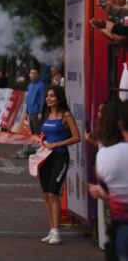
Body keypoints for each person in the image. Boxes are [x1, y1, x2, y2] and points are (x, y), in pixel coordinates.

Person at [38, 86, 81, 245]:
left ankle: (57, 232)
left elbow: (76, 137)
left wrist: (56, 144)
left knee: (53, 193)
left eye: (52, 96)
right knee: (45, 194)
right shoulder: (46, 115)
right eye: (47, 96)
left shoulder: (66, 115)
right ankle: (51, 229)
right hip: (45, 157)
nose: (48, 99)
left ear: (59, 98)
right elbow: (43, 136)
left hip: (60, 156)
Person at [88, 101, 128, 261]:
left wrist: (101, 193)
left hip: (123, 227)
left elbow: (108, 190)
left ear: (120, 123)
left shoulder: (105, 156)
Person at [17, 67, 47, 158]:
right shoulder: (30, 85)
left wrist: (41, 112)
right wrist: (26, 112)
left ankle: (40, 151)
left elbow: (42, 100)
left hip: (37, 112)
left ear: (38, 75)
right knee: (33, 132)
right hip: (30, 112)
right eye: (31, 73)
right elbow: (28, 99)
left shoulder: (41, 86)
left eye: (35, 73)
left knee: (38, 132)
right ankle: (34, 150)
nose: (32, 75)